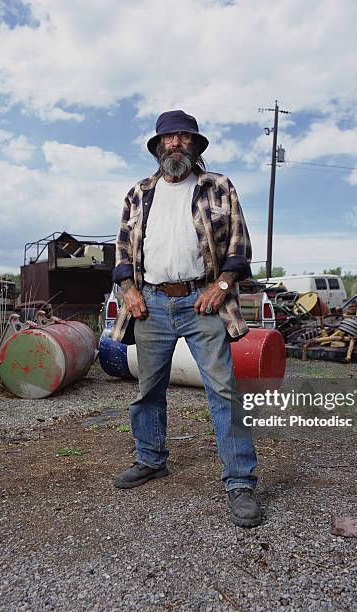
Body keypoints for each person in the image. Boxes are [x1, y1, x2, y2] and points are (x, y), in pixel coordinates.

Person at [110, 110, 261, 527]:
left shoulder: (218, 187)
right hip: (151, 304)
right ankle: (151, 459)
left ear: (195, 146)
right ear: (158, 147)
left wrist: (223, 286)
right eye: (168, 138)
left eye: (183, 138)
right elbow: (122, 250)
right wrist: (129, 291)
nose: (175, 144)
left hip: (203, 302)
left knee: (224, 391)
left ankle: (240, 482)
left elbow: (238, 245)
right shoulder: (138, 193)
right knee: (147, 391)